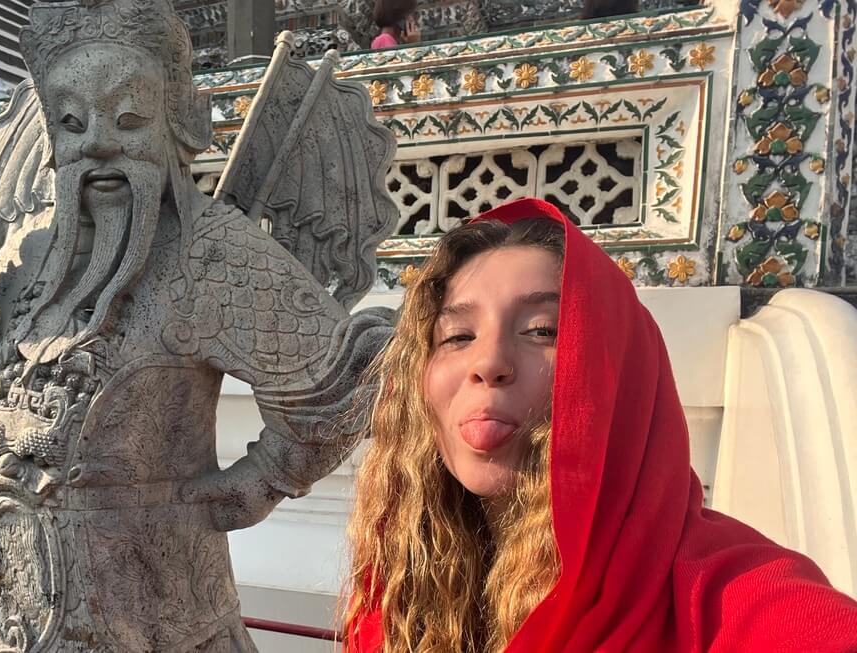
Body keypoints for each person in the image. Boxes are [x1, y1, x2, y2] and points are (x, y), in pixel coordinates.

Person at [344, 197, 857, 652]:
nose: (489, 361)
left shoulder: (732, 598)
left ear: (618, 375)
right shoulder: (405, 582)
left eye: (543, 330)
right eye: (457, 336)